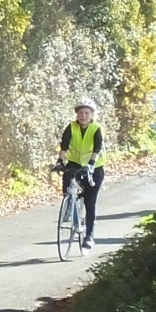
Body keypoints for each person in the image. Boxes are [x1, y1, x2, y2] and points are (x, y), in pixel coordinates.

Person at [60, 96, 106, 250]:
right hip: (75, 163)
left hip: (95, 166)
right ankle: (70, 204)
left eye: (87, 113)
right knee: (67, 182)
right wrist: (60, 161)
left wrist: (92, 164)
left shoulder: (96, 128)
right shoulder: (71, 127)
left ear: (92, 115)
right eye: (80, 113)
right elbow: (64, 146)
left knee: (89, 201)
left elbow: (97, 148)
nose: (83, 116)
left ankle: (89, 236)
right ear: (77, 114)